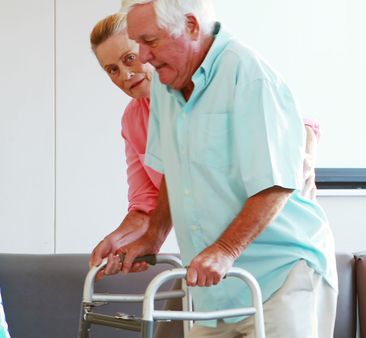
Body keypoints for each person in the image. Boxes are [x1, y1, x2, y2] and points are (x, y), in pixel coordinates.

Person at [117, 0, 338, 337]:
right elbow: (172, 171)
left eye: (150, 41)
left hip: (280, 276)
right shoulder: (166, 82)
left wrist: (226, 250)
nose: (143, 56)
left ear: (191, 25)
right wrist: (154, 235)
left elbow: (277, 184)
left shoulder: (249, 76)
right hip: (213, 290)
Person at [87, 12, 321, 280]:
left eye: (130, 58)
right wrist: (119, 242)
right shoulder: (135, 118)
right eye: (112, 70)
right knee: (176, 320)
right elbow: (147, 201)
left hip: (269, 253)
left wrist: (307, 150)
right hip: (209, 257)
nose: (126, 74)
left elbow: (294, 129)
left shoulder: (222, 78)